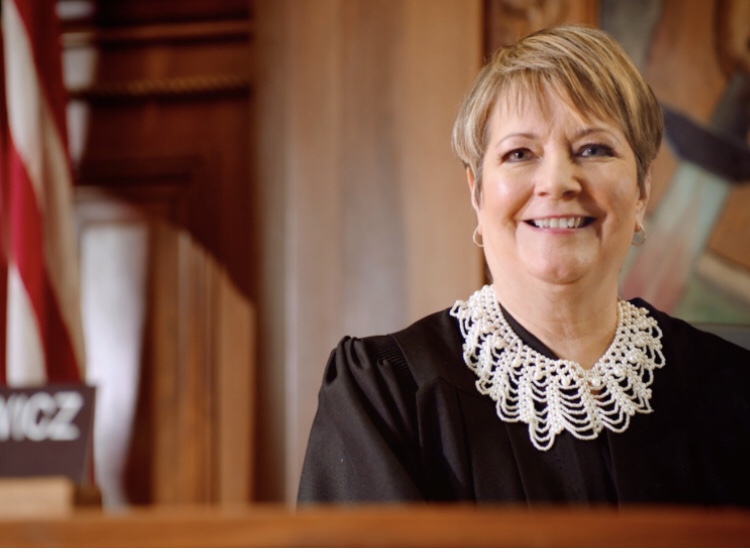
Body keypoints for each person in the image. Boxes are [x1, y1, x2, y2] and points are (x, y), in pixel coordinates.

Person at [297, 25, 750, 505]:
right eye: (519, 154)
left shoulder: (734, 389)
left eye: (593, 149)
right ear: (476, 192)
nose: (557, 182)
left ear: (641, 190)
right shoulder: (385, 395)